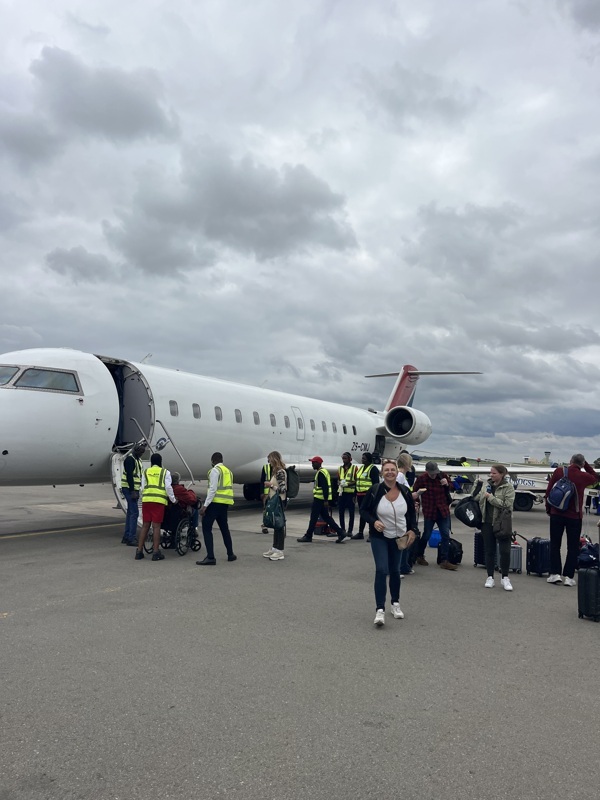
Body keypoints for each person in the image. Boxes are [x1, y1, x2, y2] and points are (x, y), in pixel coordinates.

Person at [360, 458, 417, 626]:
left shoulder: (405, 491)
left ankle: (395, 604)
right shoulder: (375, 490)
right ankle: (380, 610)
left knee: (395, 570)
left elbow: (411, 515)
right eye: (387, 470)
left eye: (393, 469)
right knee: (381, 569)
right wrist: (373, 521)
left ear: (397, 472)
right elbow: (363, 510)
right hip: (380, 537)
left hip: (399, 537)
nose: (390, 472)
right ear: (382, 473)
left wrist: (413, 530)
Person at [545, 454, 599, 586]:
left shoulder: (559, 471)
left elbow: (549, 491)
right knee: (573, 547)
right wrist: (585, 465)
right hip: (574, 516)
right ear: (582, 464)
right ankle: (569, 577)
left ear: (570, 461)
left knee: (555, 544)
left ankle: (554, 573)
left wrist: (549, 510)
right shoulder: (584, 476)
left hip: (556, 514)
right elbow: (596, 478)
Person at [476, 464, 516, 591]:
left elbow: (507, 505)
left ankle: (505, 577)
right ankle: (490, 577)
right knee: (489, 550)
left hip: (502, 523)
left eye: (494, 473)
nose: (491, 475)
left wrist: (491, 498)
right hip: (486, 522)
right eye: (490, 473)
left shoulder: (508, 488)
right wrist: (476, 487)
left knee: (505, 551)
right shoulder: (485, 486)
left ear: (502, 474)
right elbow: (477, 499)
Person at [412, 461, 456, 571]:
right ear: (427, 471)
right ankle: (419, 555)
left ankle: (444, 560)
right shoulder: (422, 479)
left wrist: (447, 484)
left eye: (435, 473)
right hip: (429, 510)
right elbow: (415, 491)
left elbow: (452, 488)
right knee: (426, 535)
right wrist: (416, 502)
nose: (433, 475)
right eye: (431, 473)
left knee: (445, 534)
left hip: (442, 510)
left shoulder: (443, 476)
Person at [196, 452, 237, 565]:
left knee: (206, 527)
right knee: (224, 529)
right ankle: (230, 554)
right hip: (225, 504)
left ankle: (210, 557)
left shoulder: (215, 470)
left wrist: (205, 506)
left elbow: (213, 489)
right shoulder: (228, 471)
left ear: (213, 461)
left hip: (214, 504)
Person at [135, 453, 176, 561]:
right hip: (158, 501)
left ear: (151, 462)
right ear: (161, 462)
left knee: (145, 526)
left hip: (147, 501)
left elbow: (142, 487)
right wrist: (173, 499)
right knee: (156, 527)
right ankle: (156, 552)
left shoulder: (146, 472)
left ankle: (139, 551)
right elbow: (168, 488)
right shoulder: (165, 472)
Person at [297, 457, 346, 543]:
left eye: (314, 462)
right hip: (321, 499)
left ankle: (308, 536)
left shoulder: (321, 473)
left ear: (318, 463)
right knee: (326, 518)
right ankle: (340, 532)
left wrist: (326, 500)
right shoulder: (323, 472)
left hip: (319, 500)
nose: (312, 464)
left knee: (313, 518)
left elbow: (325, 487)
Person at [262, 451, 288, 561]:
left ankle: (279, 550)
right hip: (274, 500)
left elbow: (283, 489)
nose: (269, 462)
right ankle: (275, 548)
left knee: (279, 525)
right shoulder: (276, 471)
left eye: (269, 460)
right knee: (276, 524)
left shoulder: (280, 472)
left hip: (279, 501)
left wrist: (270, 485)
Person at [120, 442, 146, 546]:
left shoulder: (138, 460)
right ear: (136, 450)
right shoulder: (130, 459)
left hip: (134, 489)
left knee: (131, 513)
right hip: (129, 488)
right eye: (140, 451)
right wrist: (132, 491)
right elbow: (130, 476)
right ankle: (131, 538)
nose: (142, 453)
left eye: (143, 452)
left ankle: (127, 537)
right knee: (134, 513)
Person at [352, 453, 380, 539]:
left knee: (370, 514)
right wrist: (355, 494)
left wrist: (374, 495)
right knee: (362, 514)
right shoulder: (361, 469)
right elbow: (357, 482)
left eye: (364, 458)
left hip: (368, 496)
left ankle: (372, 533)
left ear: (368, 459)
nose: (362, 460)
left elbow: (376, 484)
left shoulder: (373, 469)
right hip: (360, 495)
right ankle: (360, 533)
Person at [171, 472, 200, 537]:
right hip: (179, 512)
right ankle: (193, 528)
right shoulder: (179, 489)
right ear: (178, 480)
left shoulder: (168, 489)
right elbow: (191, 500)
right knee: (195, 509)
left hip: (168, 513)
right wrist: (191, 492)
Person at [337, 452, 357, 537]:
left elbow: (356, 480)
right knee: (341, 512)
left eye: (345, 458)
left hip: (350, 493)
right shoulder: (340, 469)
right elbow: (338, 479)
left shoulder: (354, 468)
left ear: (350, 459)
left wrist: (348, 484)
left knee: (351, 513)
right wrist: (339, 483)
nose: (344, 460)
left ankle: (350, 530)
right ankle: (343, 529)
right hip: (342, 493)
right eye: (343, 458)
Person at [259, 460, 272, 534]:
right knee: (266, 510)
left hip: (275, 492)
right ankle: (265, 525)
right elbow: (262, 480)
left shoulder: (280, 468)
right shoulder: (266, 467)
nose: (268, 460)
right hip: (267, 492)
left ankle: (276, 523)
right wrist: (261, 492)